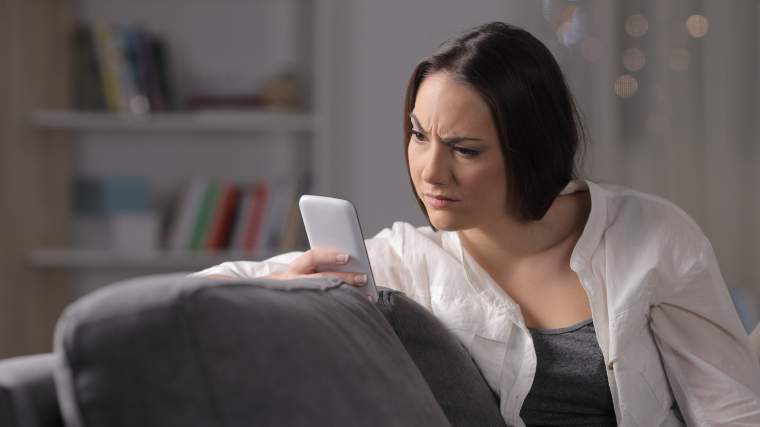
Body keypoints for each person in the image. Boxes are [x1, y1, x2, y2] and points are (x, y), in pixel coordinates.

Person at [192, 22, 760, 426]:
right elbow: (195, 295)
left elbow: (730, 410)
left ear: (530, 149)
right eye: (419, 135)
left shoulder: (653, 236)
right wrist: (286, 285)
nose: (429, 171)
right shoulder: (405, 261)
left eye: (464, 149)